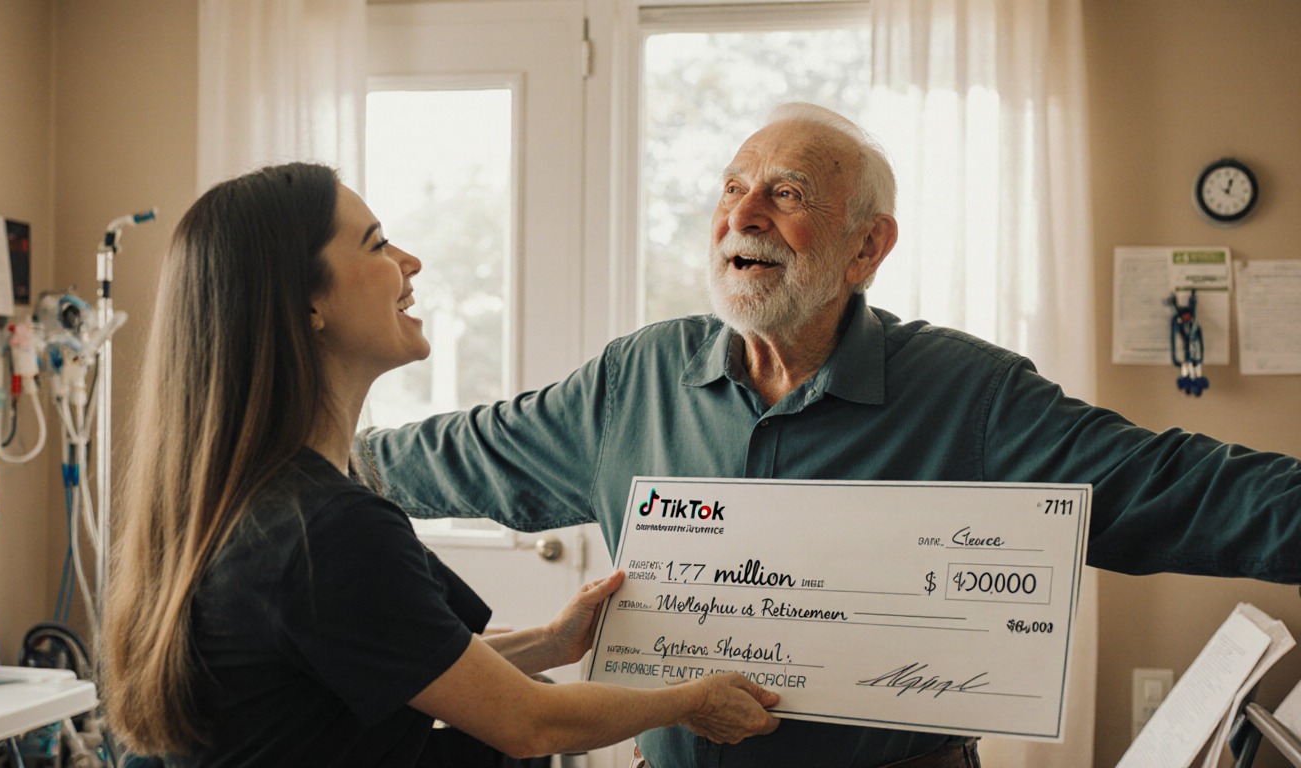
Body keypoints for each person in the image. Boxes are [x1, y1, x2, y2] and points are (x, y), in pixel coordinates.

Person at [354, 101, 1301, 768]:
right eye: (732, 188)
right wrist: (286, 452)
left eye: (787, 193)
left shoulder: (972, 396)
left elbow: (1186, 490)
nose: (743, 215)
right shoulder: (630, 382)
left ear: (867, 247)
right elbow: (428, 460)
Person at [100, 163, 783, 768]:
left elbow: (412, 666)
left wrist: (552, 641)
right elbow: (529, 723)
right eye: (376, 245)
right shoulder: (325, 530)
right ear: (306, 304)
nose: (411, 261)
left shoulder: (257, 500)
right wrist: (690, 701)